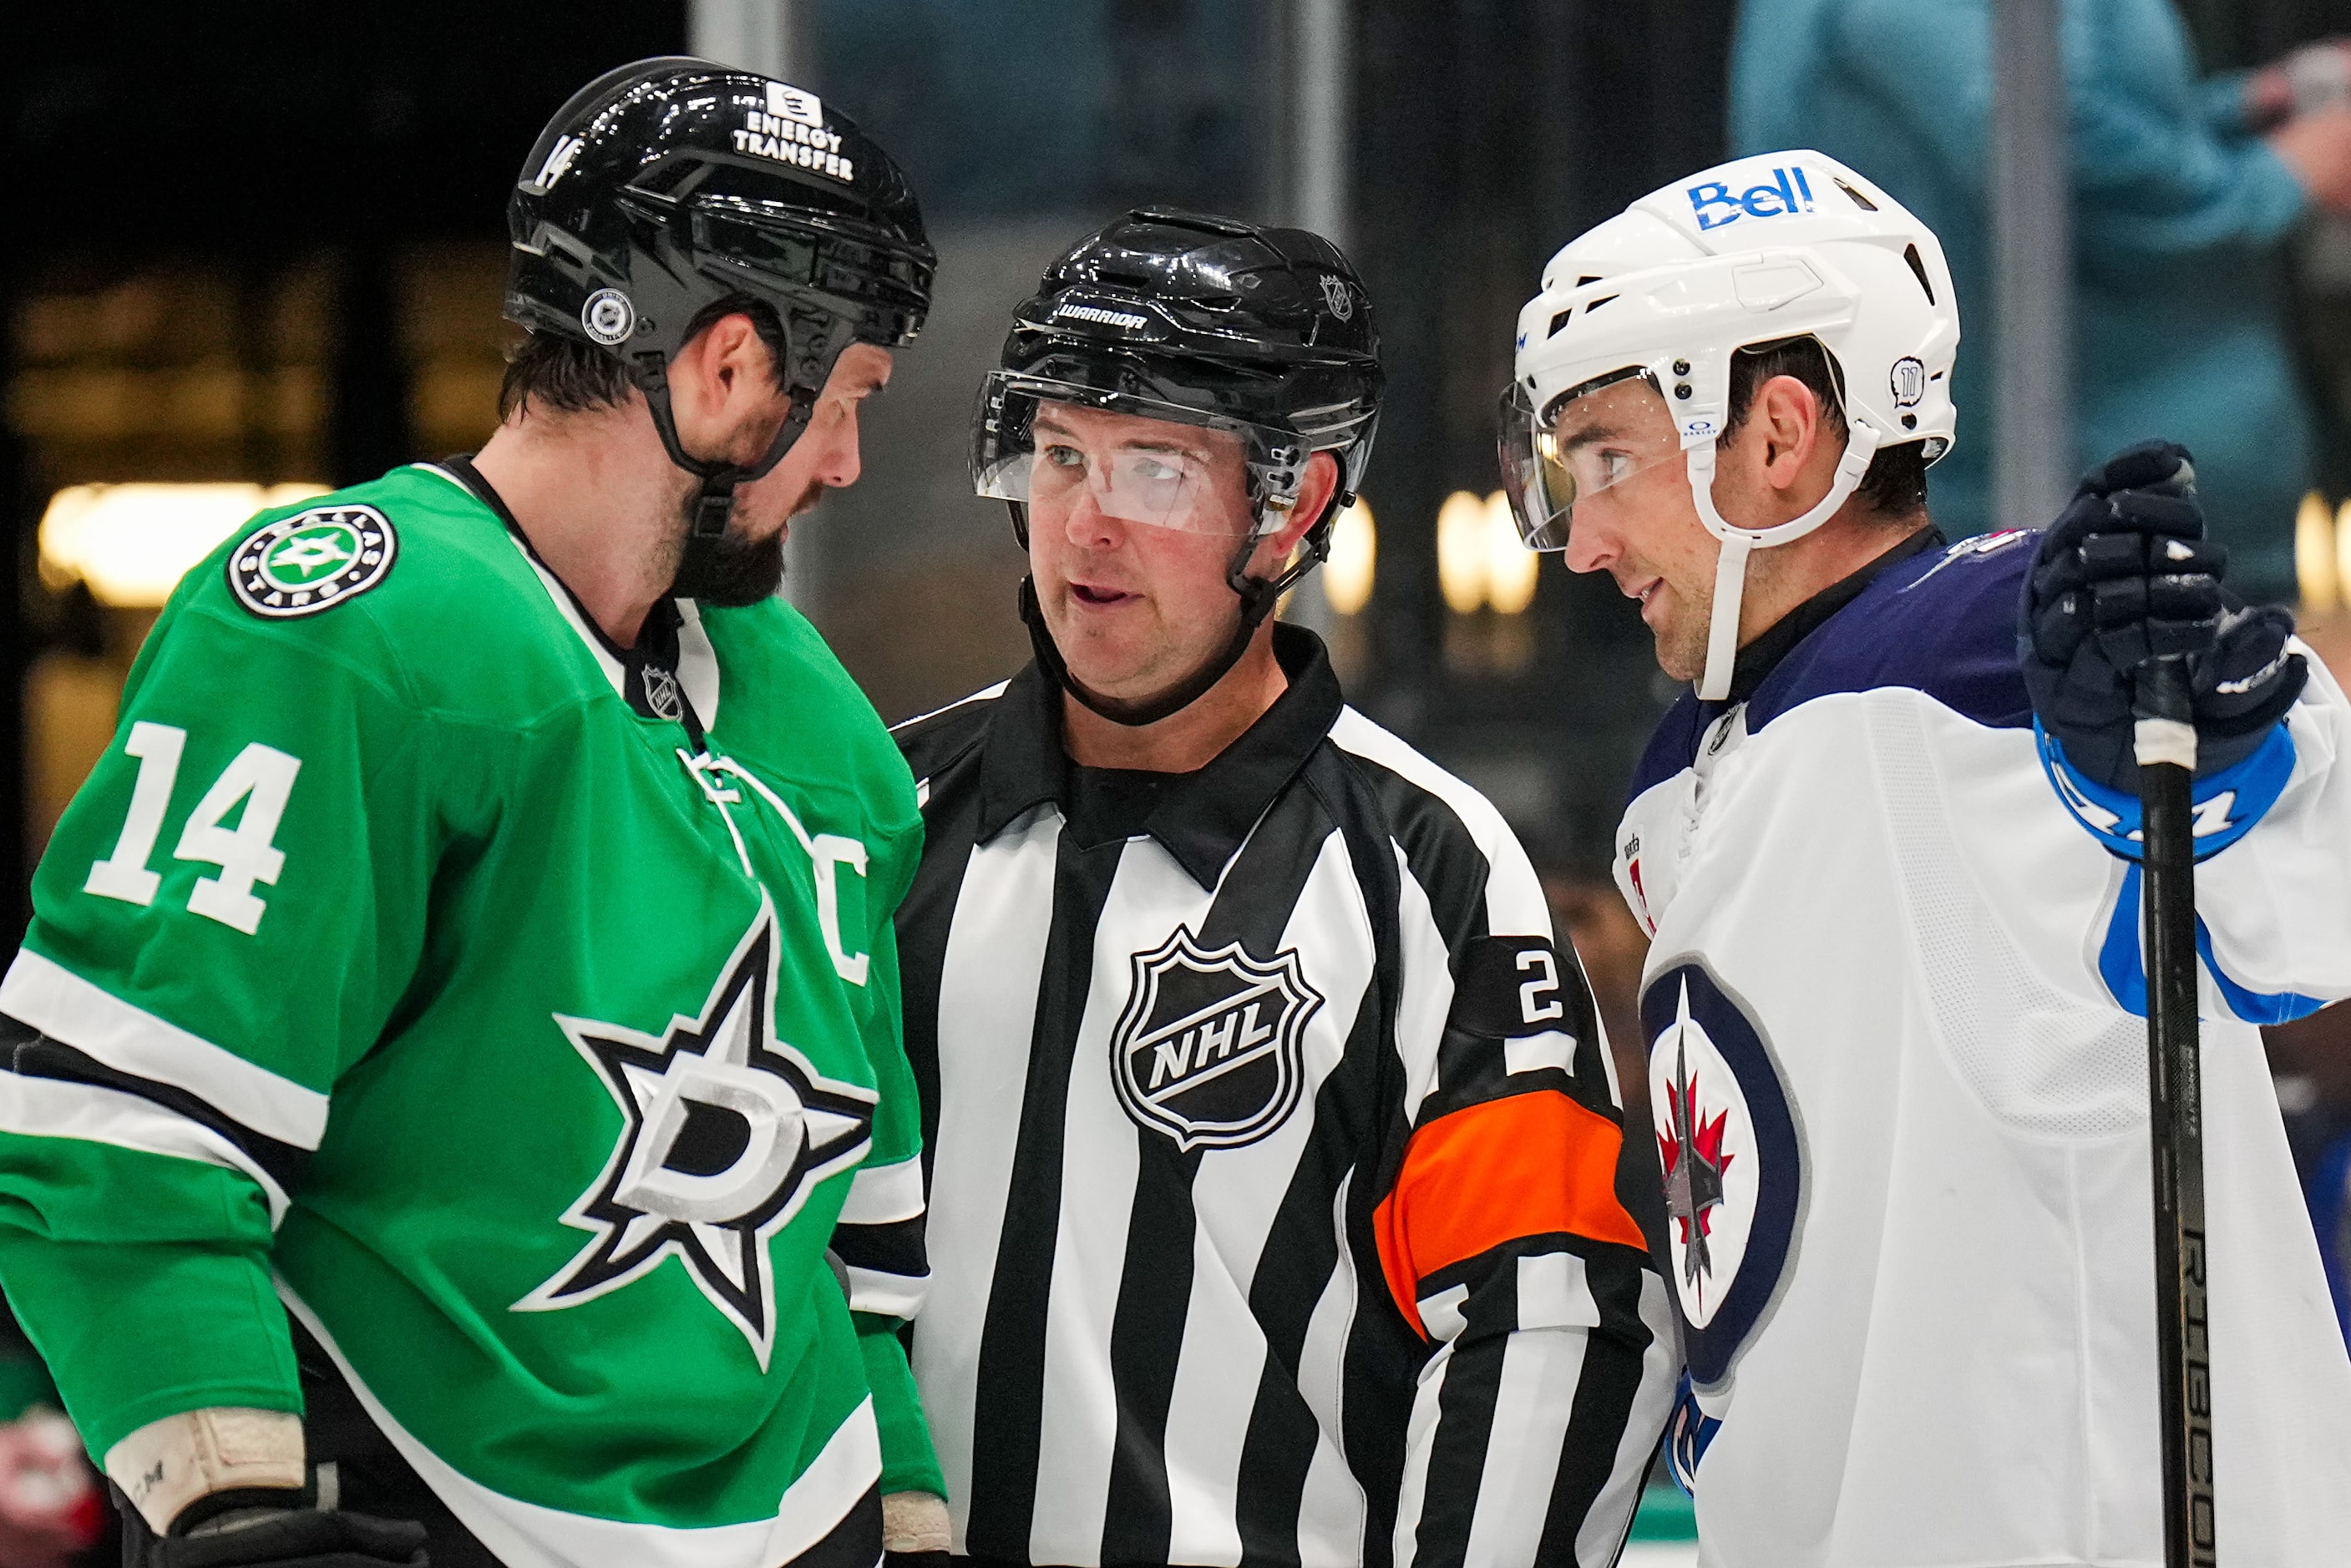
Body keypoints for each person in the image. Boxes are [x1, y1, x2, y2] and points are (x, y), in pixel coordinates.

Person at [0, 58, 944, 1568]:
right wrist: (231, 1503)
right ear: (724, 367)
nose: (844, 462)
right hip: (422, 1510)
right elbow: (121, 1135)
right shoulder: (345, 626)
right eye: (847, 401)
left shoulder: (820, 728)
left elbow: (850, 1251)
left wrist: (910, 1521)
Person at [1502, 149, 2351, 1565]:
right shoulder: (1679, 789)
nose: (1579, 539)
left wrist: (2200, 717)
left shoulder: (2007, 644)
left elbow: (2306, 877)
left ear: (1776, 434)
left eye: (1604, 459)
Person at [889, 210, 1677, 1568]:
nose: (1084, 522)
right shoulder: (885, 813)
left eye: (1153, 469)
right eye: (1060, 454)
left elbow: (1551, 1317)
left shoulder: (1427, 868)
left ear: (1295, 504)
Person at [1730, 0, 2351, 601]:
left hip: (2147, 529)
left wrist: (2241, 110)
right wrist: (2283, 171)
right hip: (2065, 540)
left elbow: (2069, 103)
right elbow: (2040, 142)